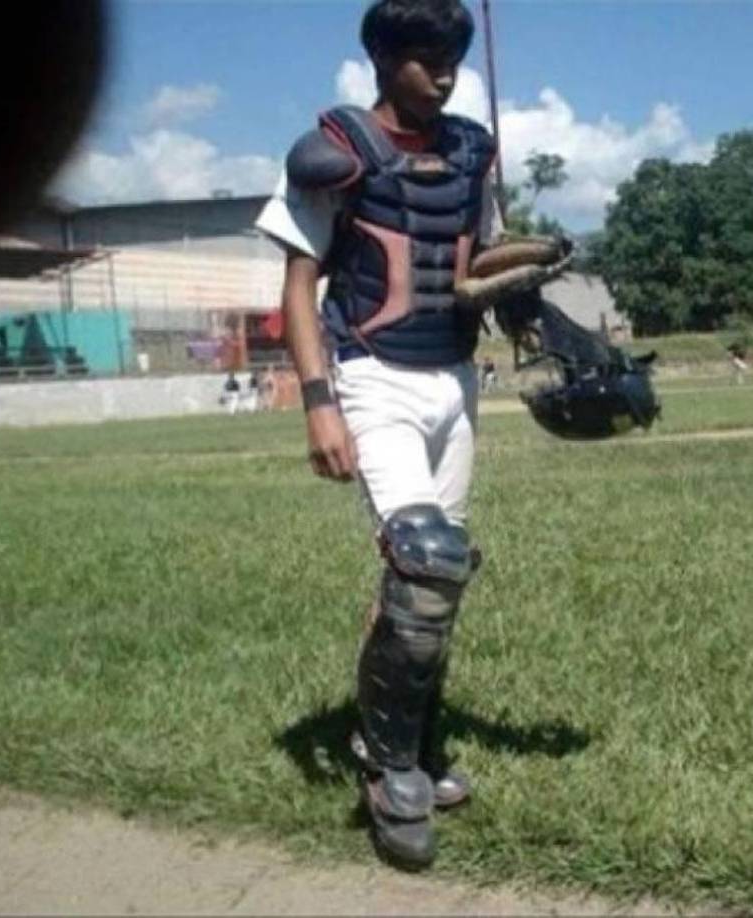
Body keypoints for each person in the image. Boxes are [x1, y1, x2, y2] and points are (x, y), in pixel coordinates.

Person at [254, 0, 501, 869]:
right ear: (381, 57)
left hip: (454, 379)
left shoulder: (473, 150)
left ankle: (413, 738)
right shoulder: (339, 151)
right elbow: (298, 285)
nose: (443, 73)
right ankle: (391, 770)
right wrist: (317, 399)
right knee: (424, 554)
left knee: (435, 578)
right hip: (370, 374)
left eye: (454, 57)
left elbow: (480, 268)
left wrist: (538, 296)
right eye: (425, 57)